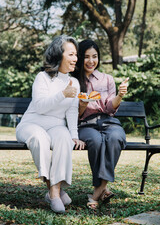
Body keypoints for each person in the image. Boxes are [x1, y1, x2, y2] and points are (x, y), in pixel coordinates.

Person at [16, 35, 85, 213]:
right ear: (58, 55)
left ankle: (53, 192)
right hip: (32, 124)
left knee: (64, 138)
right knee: (40, 139)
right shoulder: (42, 77)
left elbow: (71, 111)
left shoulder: (75, 82)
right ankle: (55, 192)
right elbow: (40, 106)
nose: (75, 59)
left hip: (56, 126)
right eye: (71, 54)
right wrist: (62, 94)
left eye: (76, 54)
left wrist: (74, 135)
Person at [72, 39, 128, 209]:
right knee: (95, 141)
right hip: (85, 125)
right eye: (86, 57)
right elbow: (73, 114)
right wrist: (82, 105)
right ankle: (101, 189)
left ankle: (98, 191)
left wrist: (119, 95)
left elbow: (110, 107)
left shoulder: (107, 79)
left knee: (116, 138)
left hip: (108, 121)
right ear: (80, 58)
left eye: (94, 57)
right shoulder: (74, 81)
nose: (91, 61)